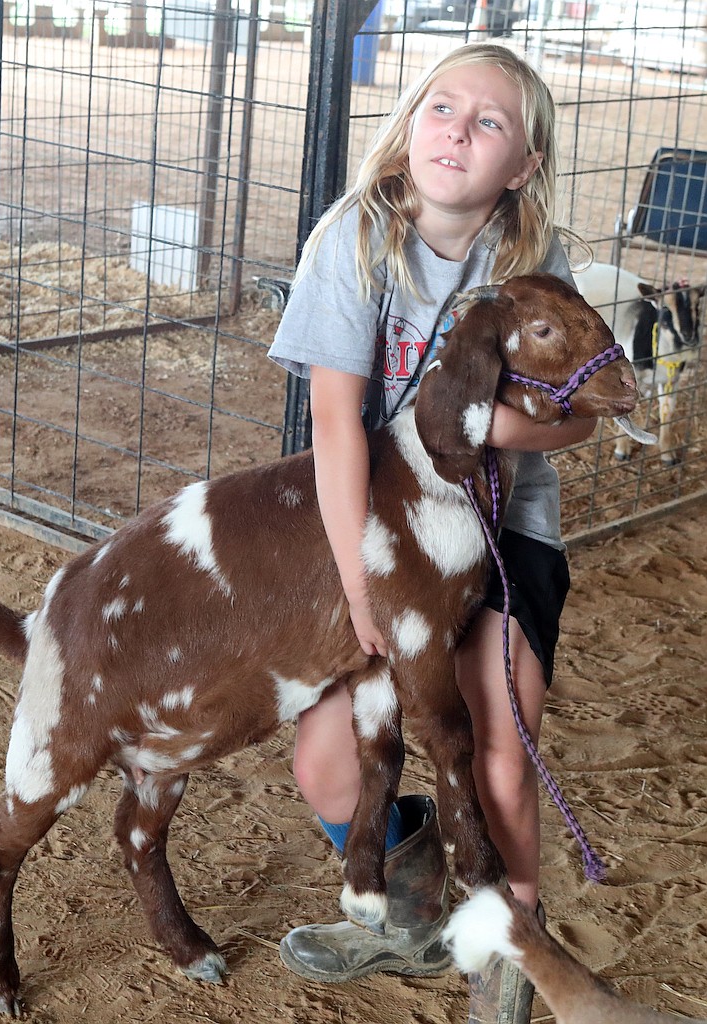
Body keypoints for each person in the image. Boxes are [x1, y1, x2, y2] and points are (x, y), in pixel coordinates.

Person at [267, 42, 596, 1024]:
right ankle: (409, 904)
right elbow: (333, 424)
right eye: (441, 107)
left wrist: (501, 427)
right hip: (379, 534)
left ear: (524, 165)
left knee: (496, 739)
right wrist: (358, 585)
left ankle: (507, 961)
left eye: (488, 121)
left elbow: (581, 416)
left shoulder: (534, 262)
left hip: (499, 531)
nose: (456, 130)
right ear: (410, 122)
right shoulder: (355, 238)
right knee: (327, 760)